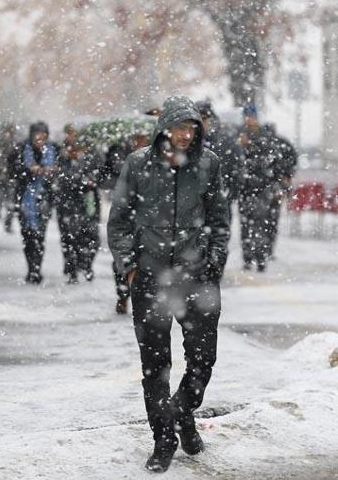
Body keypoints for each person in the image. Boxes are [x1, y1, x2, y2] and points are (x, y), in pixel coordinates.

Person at [108, 96, 230, 473]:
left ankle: (181, 412)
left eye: (191, 129)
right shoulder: (138, 164)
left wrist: (213, 265)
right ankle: (164, 437)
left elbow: (220, 221)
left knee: (203, 360)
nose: (185, 136)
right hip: (150, 279)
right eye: (180, 128)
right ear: (165, 129)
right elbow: (119, 221)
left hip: (196, 278)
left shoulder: (208, 165)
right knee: (155, 366)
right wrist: (130, 269)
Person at [100, 124, 150, 314]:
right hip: (126, 210)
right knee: (123, 255)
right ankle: (123, 294)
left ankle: (144, 297)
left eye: (144, 137)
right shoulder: (119, 152)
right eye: (138, 136)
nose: (141, 140)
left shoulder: (160, 155)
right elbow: (106, 176)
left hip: (148, 214)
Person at [9, 122, 59, 284]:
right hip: (24, 199)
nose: (40, 139)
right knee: (27, 236)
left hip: (44, 198)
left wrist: (51, 173)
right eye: (37, 135)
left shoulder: (54, 150)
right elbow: (13, 172)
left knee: (39, 236)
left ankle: (36, 269)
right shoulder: (21, 150)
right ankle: (31, 266)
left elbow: (61, 172)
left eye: (43, 136)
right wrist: (29, 170)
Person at [55, 124, 102, 284]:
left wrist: (91, 180)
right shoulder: (61, 154)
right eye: (70, 133)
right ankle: (72, 269)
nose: (73, 137)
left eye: (76, 133)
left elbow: (100, 172)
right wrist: (81, 181)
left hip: (89, 201)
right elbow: (62, 177)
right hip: (68, 201)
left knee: (91, 236)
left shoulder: (92, 153)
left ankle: (86, 264)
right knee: (69, 238)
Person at [237, 105, 278, 272]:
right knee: (246, 226)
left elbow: (268, 159)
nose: (249, 120)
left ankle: (261, 258)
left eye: (252, 117)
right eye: (247, 117)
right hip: (245, 189)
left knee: (260, 224)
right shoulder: (240, 134)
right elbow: (235, 159)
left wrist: (251, 146)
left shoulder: (263, 135)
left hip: (261, 188)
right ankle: (247, 258)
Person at [197, 99, 244, 213]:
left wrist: (229, 196)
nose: (200, 123)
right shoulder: (189, 141)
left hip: (220, 203)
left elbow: (238, 168)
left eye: (203, 119)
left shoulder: (226, 140)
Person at [264, 123, 298, 259]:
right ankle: (269, 249)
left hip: (264, 186)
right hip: (277, 185)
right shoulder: (282, 143)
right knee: (272, 220)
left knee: (263, 220)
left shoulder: (263, 143)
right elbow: (293, 159)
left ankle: (263, 248)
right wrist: (287, 176)